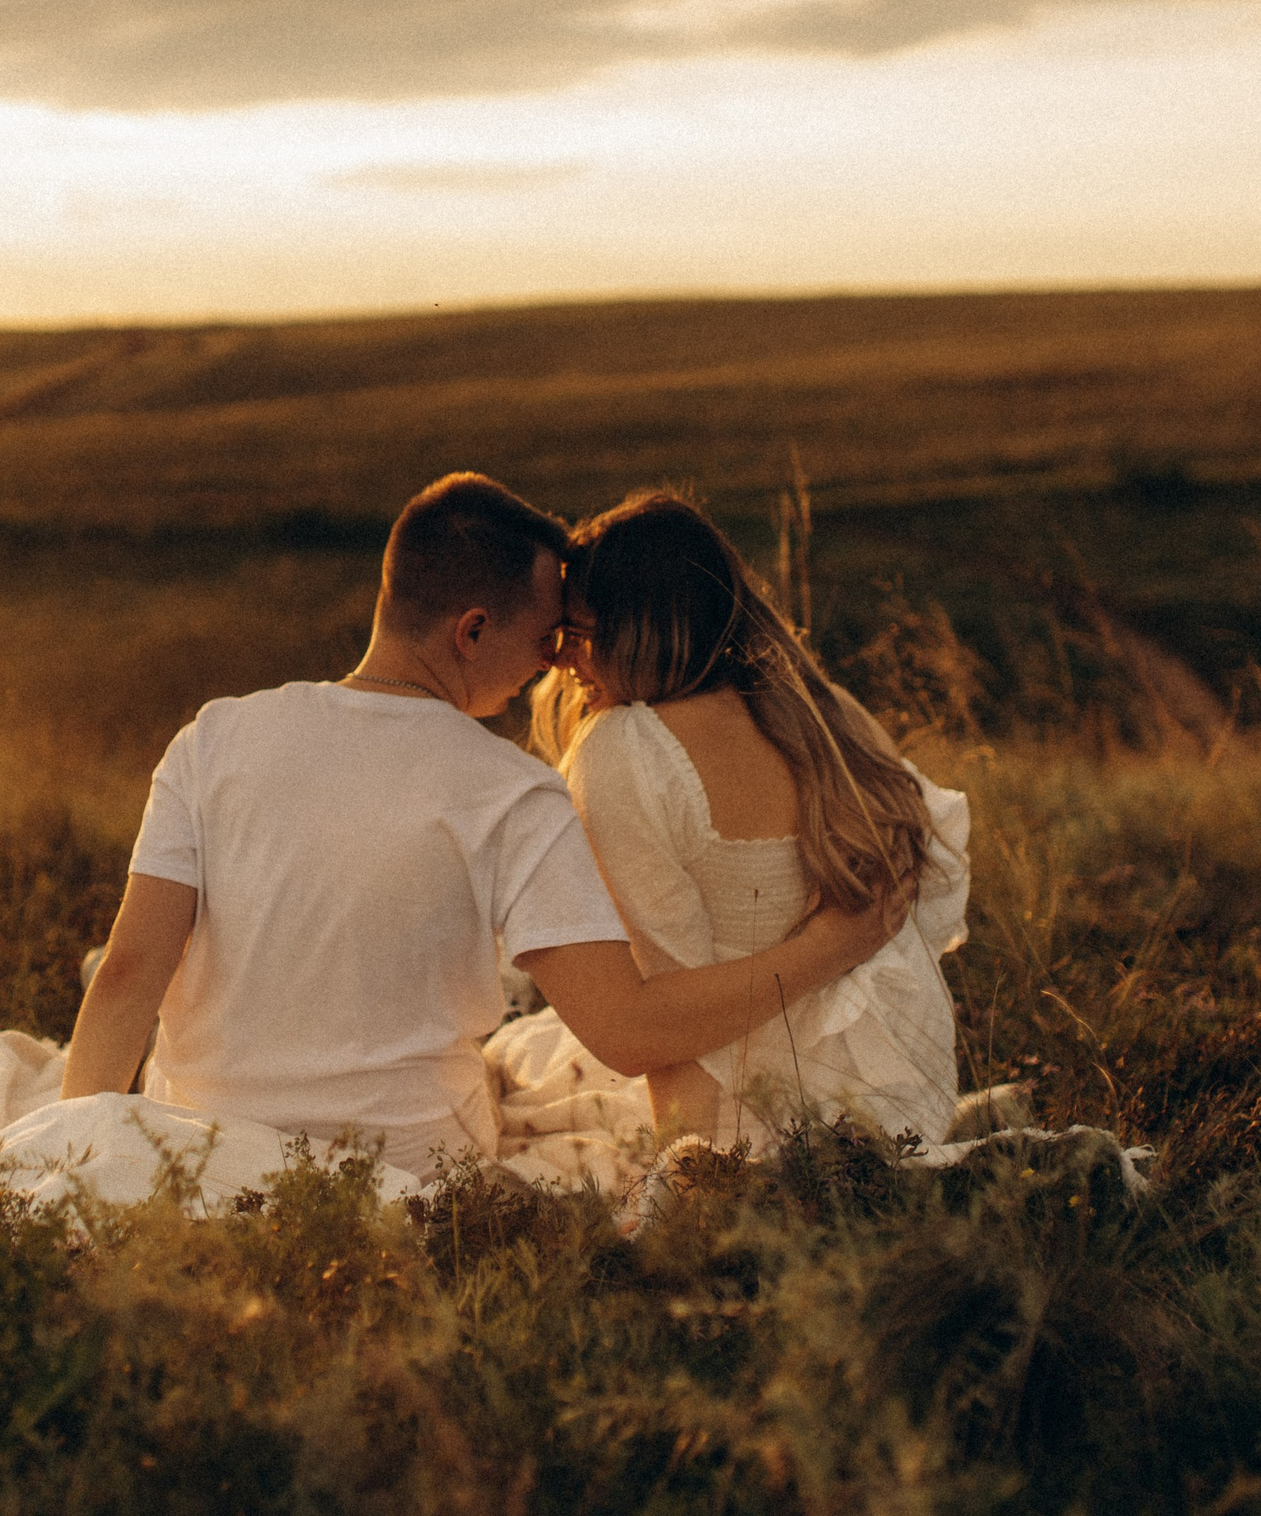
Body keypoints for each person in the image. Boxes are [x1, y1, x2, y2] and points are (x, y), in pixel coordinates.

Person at [60, 473, 907, 1180]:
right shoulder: (513, 790)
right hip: (410, 1171)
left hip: (201, 1150)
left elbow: (131, 970)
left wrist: (80, 1154)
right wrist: (836, 944)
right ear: (472, 631)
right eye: (545, 641)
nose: (556, 666)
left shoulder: (213, 737)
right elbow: (628, 1030)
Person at [525, 490, 967, 1150]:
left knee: (526, 1081)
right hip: (910, 1089)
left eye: (580, 635)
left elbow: (674, 1023)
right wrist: (832, 947)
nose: (560, 659)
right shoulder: (823, 710)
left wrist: (690, 1166)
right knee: (542, 1053)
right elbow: (918, 913)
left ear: (646, 630)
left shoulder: (625, 752)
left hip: (759, 1110)